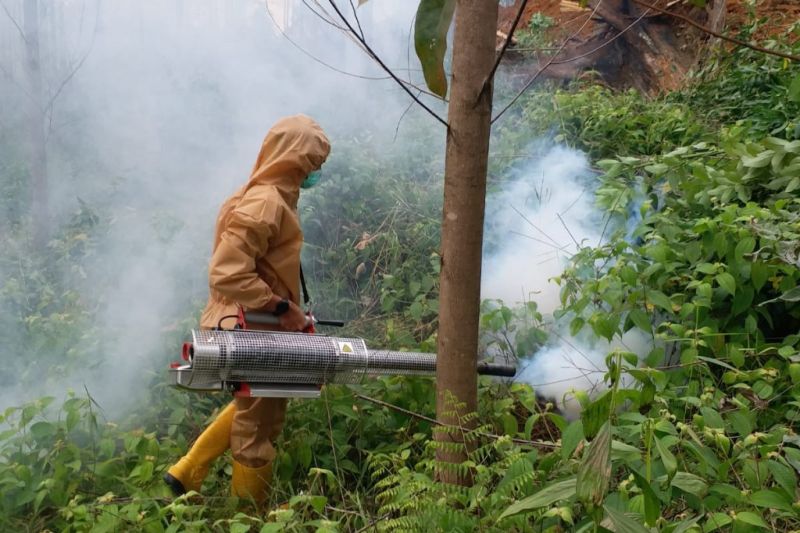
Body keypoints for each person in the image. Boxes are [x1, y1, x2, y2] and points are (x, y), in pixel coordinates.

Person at [163, 114, 330, 506]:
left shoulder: (263, 196)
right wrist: (284, 308)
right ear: (292, 159)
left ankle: (187, 471)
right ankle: (248, 519)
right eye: (311, 164)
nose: (314, 172)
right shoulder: (265, 203)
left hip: (253, 324)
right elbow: (227, 273)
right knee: (259, 427)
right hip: (251, 326)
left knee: (253, 403)